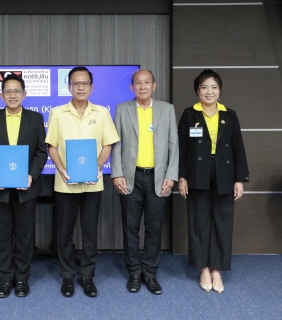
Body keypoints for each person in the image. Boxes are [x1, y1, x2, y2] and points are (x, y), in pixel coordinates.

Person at [45, 66, 120, 298]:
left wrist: (98, 166)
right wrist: (60, 168)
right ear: (69, 87)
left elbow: (108, 143)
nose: (80, 87)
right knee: (65, 233)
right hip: (65, 182)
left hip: (92, 183)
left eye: (84, 83)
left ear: (91, 87)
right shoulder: (57, 113)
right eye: (76, 83)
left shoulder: (102, 113)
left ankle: (88, 277)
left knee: (89, 232)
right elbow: (51, 146)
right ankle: (67, 277)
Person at [177, 69, 249, 294]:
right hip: (197, 172)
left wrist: (240, 179)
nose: (209, 92)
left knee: (222, 222)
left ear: (220, 90)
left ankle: (217, 269)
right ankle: (203, 269)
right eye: (204, 87)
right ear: (197, 90)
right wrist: (181, 176)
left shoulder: (230, 114)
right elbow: (181, 148)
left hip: (224, 174)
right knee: (199, 222)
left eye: (214, 87)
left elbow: (238, 148)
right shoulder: (190, 114)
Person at [0, 74, 47, 298]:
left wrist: (31, 176)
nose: (12, 95)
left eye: (17, 91)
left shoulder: (35, 118)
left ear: (24, 94)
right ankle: (6, 278)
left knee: (25, 236)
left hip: (26, 188)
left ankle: (22, 279)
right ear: (1, 96)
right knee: (2, 235)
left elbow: (41, 152)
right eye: (8, 91)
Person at [111, 68, 179, 295]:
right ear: (132, 87)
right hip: (130, 178)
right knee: (130, 228)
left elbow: (173, 145)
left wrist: (171, 175)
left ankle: (149, 273)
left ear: (154, 85)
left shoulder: (166, 110)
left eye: (147, 82)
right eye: (138, 83)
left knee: (154, 227)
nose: (142, 86)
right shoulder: (122, 109)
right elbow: (116, 144)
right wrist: (117, 173)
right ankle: (133, 272)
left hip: (158, 179)